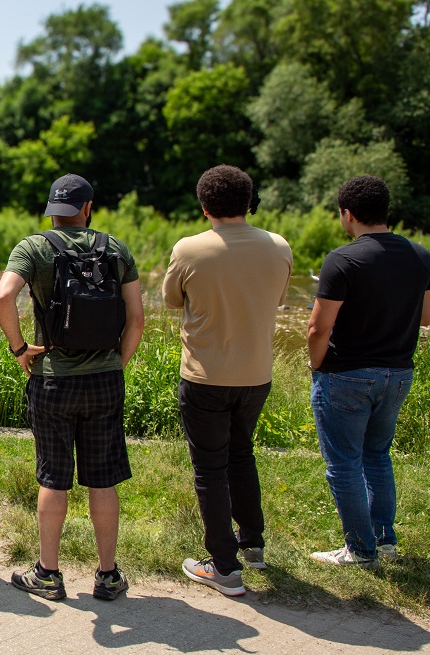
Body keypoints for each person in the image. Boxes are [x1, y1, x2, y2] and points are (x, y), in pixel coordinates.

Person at [0, 173, 144, 601]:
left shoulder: (34, 247)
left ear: (52, 212)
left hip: (53, 382)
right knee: (103, 480)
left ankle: (48, 575)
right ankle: (108, 576)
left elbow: (3, 298)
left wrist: (20, 349)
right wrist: (116, 363)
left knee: (54, 480)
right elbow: (137, 320)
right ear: (88, 207)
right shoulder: (115, 249)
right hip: (104, 382)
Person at [162, 165, 292, 596]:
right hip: (256, 375)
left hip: (204, 377)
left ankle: (223, 567)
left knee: (209, 468)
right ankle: (252, 544)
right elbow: (275, 298)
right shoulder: (278, 247)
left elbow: (170, 300)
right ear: (248, 202)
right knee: (242, 454)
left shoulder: (189, 249)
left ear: (204, 207)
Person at [307, 175, 430, 568]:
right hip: (398, 373)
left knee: (343, 463)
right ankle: (383, 540)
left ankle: (360, 550)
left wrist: (316, 363)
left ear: (348, 214)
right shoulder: (420, 255)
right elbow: (426, 316)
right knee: (377, 456)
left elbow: (318, 327)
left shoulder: (342, 259)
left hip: (346, 374)